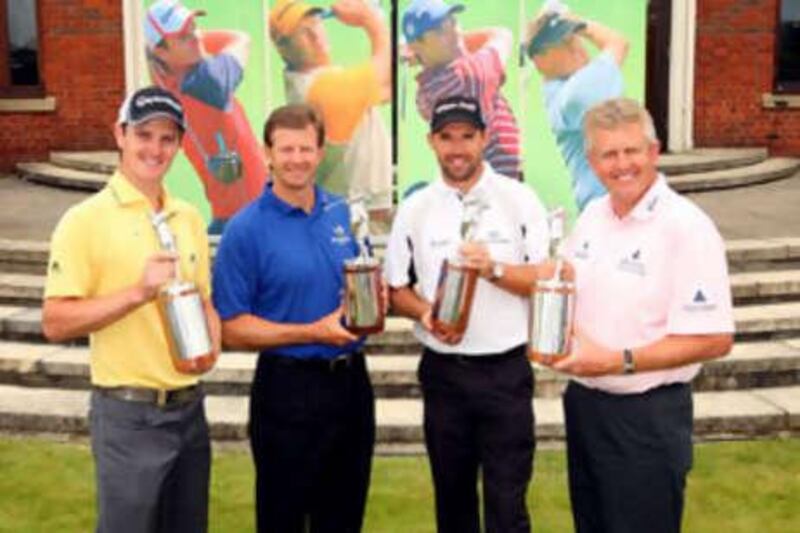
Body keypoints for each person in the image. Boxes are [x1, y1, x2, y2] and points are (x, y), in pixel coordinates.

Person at [542, 98, 734, 533]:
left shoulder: (687, 226)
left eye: (632, 151)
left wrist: (619, 361)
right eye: (609, 154)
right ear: (592, 162)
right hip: (586, 408)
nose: (622, 164)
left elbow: (715, 337)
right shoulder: (593, 215)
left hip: (646, 420)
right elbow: (567, 285)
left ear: (654, 151)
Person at [41, 86, 221, 533]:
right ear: (120, 134)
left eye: (167, 138)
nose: (154, 149)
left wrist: (212, 342)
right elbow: (55, 321)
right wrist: (137, 293)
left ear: (179, 145)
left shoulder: (189, 217)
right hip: (128, 416)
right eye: (144, 134)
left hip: (189, 409)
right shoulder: (84, 220)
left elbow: (203, 298)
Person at [385, 95, 549, 533]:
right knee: (452, 500)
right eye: (446, 137)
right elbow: (395, 288)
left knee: (507, 502)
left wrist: (492, 269)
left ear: (485, 138)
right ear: (431, 141)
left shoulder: (519, 199)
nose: (457, 148)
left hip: (506, 371)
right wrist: (426, 314)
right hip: (445, 373)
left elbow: (543, 277)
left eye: (467, 136)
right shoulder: (415, 208)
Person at [212, 104, 376, 533]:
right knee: (283, 519)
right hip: (287, 390)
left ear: (321, 152)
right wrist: (310, 331)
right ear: (268, 153)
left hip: (352, 387)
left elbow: (369, 291)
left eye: (306, 148)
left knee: (344, 517)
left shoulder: (344, 215)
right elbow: (231, 327)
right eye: (286, 149)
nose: (296, 159)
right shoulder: (245, 229)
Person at [145, 0, 268, 233]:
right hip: (251, 216)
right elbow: (241, 39)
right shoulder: (209, 82)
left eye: (195, 27)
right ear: (160, 51)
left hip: (232, 211)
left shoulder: (164, 78)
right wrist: (203, 43)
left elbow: (155, 56)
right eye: (184, 36)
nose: (196, 37)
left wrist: (191, 40)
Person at [269, 0, 392, 217]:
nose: (316, 35)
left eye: (316, 23)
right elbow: (384, 75)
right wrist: (372, 20)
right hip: (351, 218)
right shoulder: (321, 89)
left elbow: (385, 89)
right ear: (283, 47)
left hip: (360, 212)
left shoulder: (326, 79)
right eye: (303, 32)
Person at [523, 3, 629, 211]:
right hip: (609, 209)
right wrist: (582, 24)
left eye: (574, 38)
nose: (577, 48)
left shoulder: (557, 86)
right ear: (542, 58)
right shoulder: (577, 92)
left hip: (606, 205)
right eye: (565, 42)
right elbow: (618, 42)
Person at [403, 0, 522, 180]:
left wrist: (421, 55)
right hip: (496, 184)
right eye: (441, 30)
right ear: (417, 45)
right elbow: (502, 34)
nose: (455, 33)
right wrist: (460, 41)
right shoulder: (468, 75)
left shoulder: (425, 91)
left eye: (453, 22)